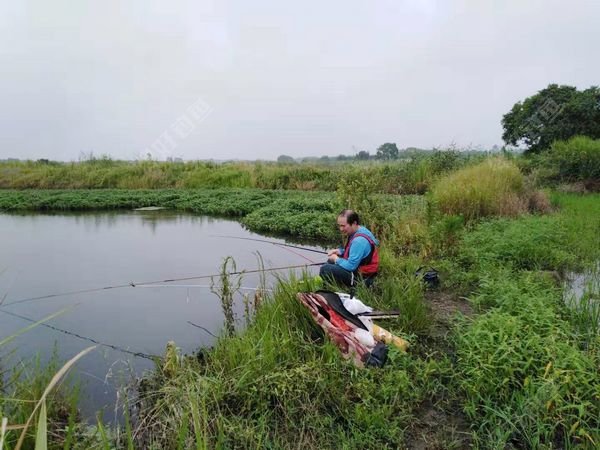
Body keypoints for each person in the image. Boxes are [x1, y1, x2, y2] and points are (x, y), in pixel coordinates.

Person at [319, 209, 379, 288]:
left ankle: (329, 289)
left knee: (325, 269)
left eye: (343, 226)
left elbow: (351, 266)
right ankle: (331, 286)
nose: (341, 229)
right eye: (339, 225)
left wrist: (336, 259)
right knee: (330, 261)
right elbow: (356, 251)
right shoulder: (362, 230)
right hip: (363, 272)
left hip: (362, 278)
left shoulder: (359, 241)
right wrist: (339, 251)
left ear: (354, 223)